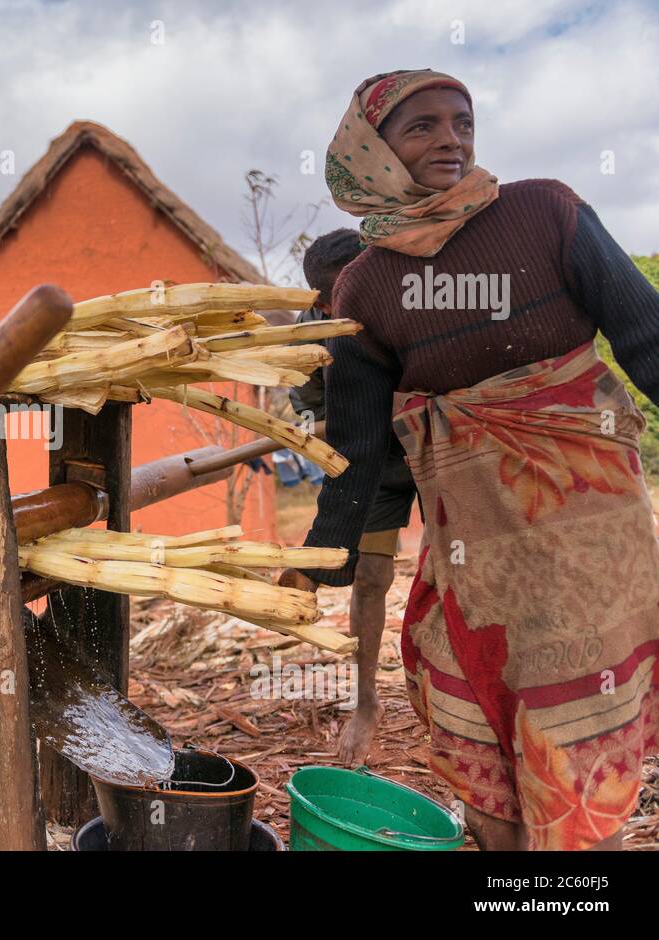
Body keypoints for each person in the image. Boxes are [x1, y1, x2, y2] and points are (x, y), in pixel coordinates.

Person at [279, 70, 659, 851]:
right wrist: (323, 560)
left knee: (570, 723)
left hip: (590, 535)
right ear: (372, 150)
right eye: (421, 127)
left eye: (462, 121)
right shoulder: (363, 287)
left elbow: (646, 339)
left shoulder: (546, 212)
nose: (450, 138)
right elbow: (357, 446)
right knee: (470, 704)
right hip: (475, 551)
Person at [287, 228, 418, 765]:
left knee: (462, 569)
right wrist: (333, 424)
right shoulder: (309, 337)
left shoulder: (417, 299)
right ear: (323, 302)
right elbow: (311, 414)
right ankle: (367, 704)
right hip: (370, 459)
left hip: (439, 442)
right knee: (369, 576)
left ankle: (467, 696)